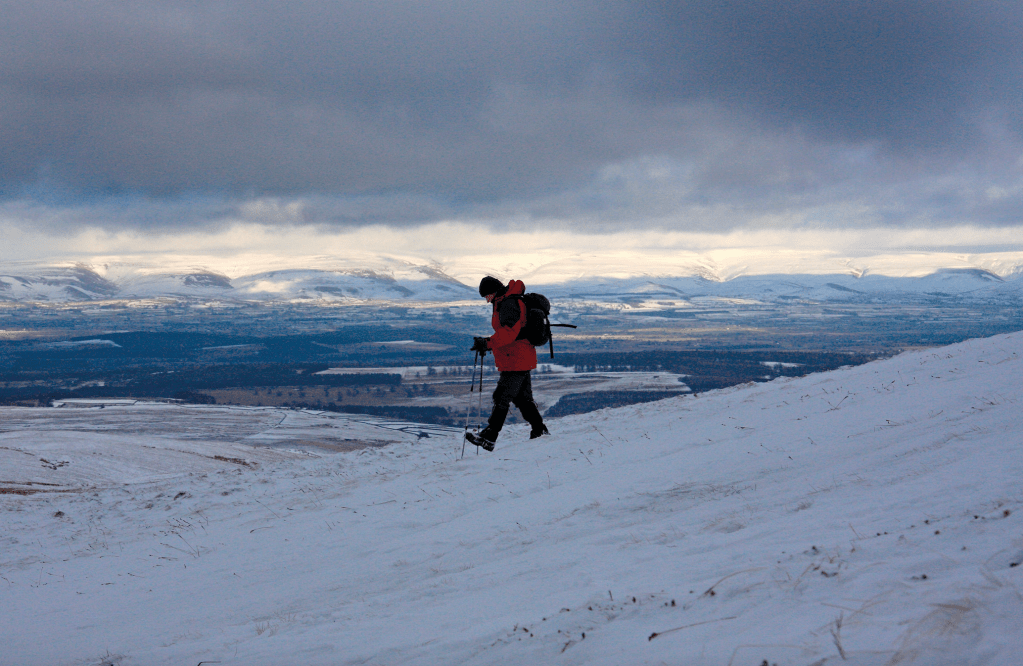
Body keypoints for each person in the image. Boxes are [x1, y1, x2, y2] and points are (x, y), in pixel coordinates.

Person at [465, 276, 549, 452]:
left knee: (501, 396)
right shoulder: (506, 301)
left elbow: (509, 332)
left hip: (516, 358)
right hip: (518, 356)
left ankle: (490, 436)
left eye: (487, 296)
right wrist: (488, 342)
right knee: (522, 399)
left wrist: (487, 343)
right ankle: (539, 430)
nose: (487, 300)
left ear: (494, 292)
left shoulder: (509, 304)